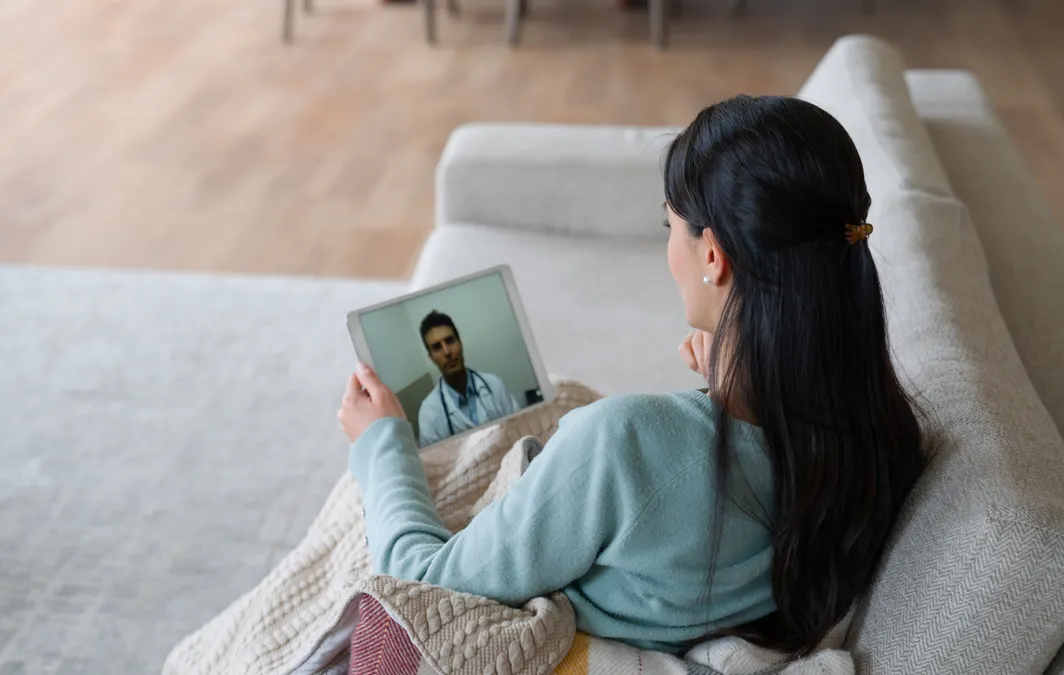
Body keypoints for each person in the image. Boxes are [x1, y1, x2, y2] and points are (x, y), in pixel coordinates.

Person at [337, 96, 925, 655]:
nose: (669, 246)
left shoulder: (624, 443)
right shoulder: (881, 438)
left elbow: (423, 586)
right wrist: (736, 382)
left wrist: (380, 445)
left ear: (713, 256)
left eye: (669, 227)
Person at [414, 310, 521, 446]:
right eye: (437, 347)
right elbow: (437, 464)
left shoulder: (494, 385)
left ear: (460, 343)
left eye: (450, 341)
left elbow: (520, 429)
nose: (447, 352)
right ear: (431, 357)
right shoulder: (428, 414)